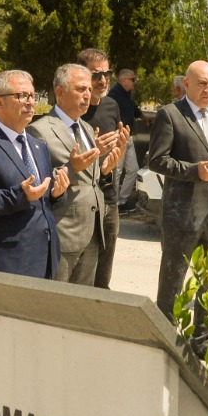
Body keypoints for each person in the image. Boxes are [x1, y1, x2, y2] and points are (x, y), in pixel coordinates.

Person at [149, 60, 208, 346]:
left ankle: (202, 339)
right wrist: (194, 172)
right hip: (182, 217)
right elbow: (156, 160)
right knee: (173, 283)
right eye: (202, 83)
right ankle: (164, 338)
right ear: (186, 84)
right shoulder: (170, 115)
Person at [0, 70, 70, 278]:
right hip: (6, 262)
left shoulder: (38, 147)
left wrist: (56, 194)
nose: (30, 102)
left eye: (32, 96)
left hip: (43, 257)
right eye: (21, 96)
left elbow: (41, 202)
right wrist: (20, 195)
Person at [30, 63, 120, 284]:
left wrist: (106, 169)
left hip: (92, 234)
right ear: (60, 92)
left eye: (89, 89)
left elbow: (90, 180)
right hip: (64, 235)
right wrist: (71, 169)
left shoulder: (87, 129)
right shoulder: (40, 130)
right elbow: (38, 181)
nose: (88, 95)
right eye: (81, 89)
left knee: (80, 306)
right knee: (55, 306)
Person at [77, 47, 131, 289]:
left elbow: (115, 153)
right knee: (81, 275)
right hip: (83, 199)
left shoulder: (111, 106)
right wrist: (93, 151)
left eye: (107, 73)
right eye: (95, 75)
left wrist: (121, 146)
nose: (103, 80)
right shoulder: (74, 111)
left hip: (109, 198)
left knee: (103, 275)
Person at [109, 67, 144, 209]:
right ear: (123, 80)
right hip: (118, 136)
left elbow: (134, 110)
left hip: (128, 137)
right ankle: (113, 202)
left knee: (133, 169)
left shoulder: (127, 95)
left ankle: (122, 201)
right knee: (116, 171)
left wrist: (145, 118)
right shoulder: (114, 94)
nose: (134, 83)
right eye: (132, 79)